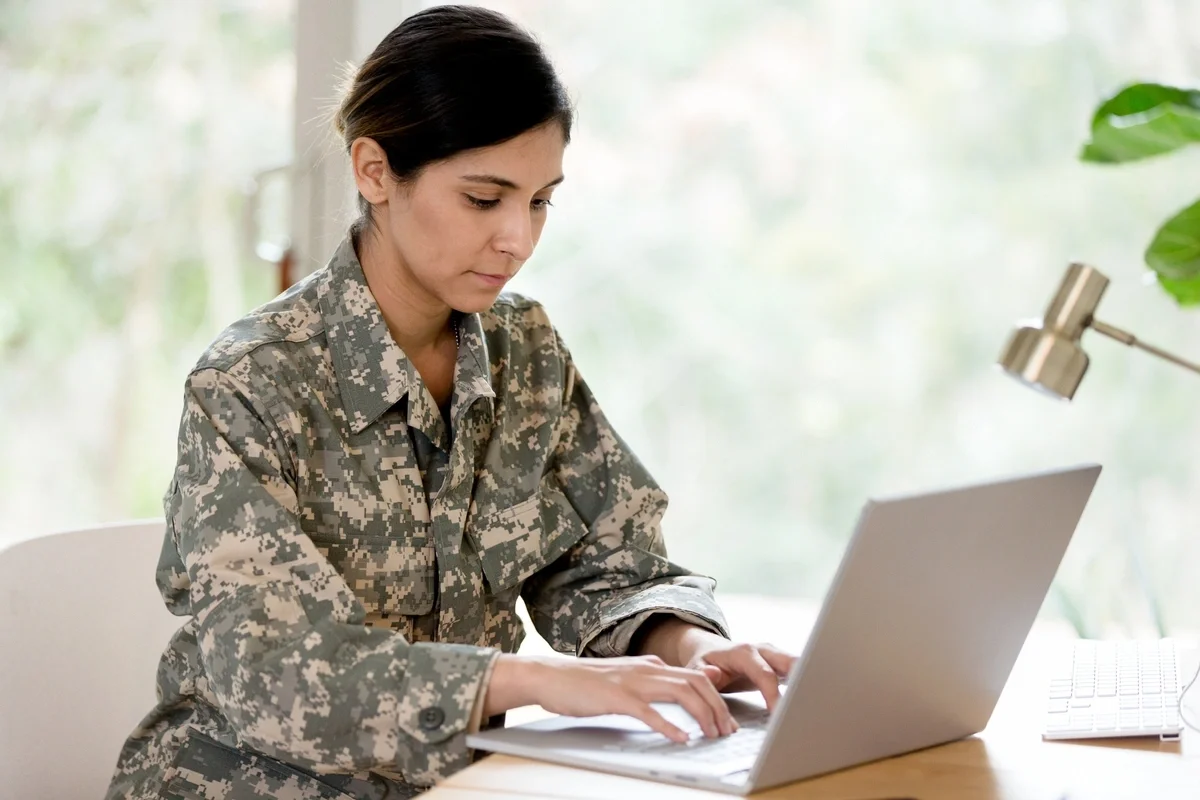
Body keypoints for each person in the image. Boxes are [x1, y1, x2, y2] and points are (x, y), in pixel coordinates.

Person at [106, 6, 794, 799]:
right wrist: (533, 681)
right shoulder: (250, 382)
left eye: (540, 201)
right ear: (374, 172)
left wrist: (687, 649)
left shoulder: (525, 351)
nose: (518, 239)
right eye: (484, 199)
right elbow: (276, 675)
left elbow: (604, 563)